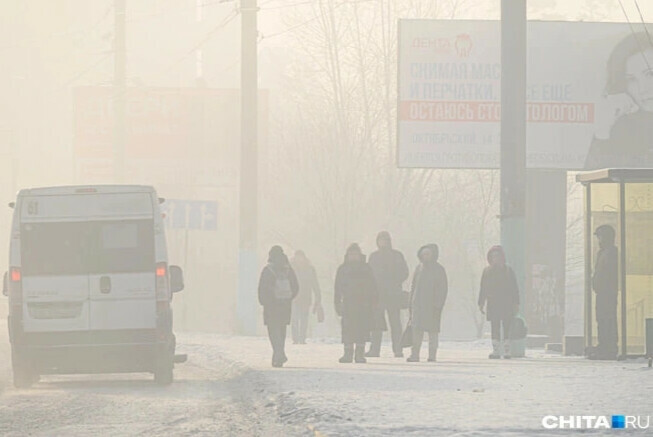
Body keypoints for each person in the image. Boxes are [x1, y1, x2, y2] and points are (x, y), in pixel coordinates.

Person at [585, 31, 653, 169]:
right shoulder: (622, 129)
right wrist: (603, 130)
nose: (642, 89)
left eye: (650, 74)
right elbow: (594, 180)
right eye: (631, 79)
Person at [367, 231, 409, 358]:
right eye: (381, 240)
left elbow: (404, 272)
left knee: (395, 323)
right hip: (378, 295)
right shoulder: (374, 256)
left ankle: (398, 349)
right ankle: (375, 350)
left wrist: (394, 280)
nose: (383, 242)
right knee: (376, 324)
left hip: (393, 294)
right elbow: (369, 274)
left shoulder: (397, 255)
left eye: (385, 240)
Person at [334, 244, 378, 364]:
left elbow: (373, 287)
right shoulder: (343, 269)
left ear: (360, 255)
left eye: (355, 254)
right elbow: (337, 288)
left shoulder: (366, 268)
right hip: (348, 303)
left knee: (362, 329)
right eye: (351, 254)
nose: (353, 256)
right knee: (347, 329)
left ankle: (360, 354)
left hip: (364, 304)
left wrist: (373, 302)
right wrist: (337, 303)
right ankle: (347, 354)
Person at [258, 246, 299, 368]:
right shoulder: (288, 269)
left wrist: (264, 301)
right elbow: (296, 286)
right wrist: (289, 298)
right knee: (281, 330)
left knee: (273, 330)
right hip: (285, 305)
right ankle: (279, 353)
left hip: (271, 305)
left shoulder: (267, 270)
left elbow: (261, 288)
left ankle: (278, 353)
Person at [406, 244, 448, 363]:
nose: (425, 256)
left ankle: (432, 355)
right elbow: (414, 286)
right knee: (416, 331)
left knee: (433, 332)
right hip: (418, 305)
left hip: (433, 306)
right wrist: (411, 302)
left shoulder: (439, 269)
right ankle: (415, 354)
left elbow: (442, 288)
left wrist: (438, 304)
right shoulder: (419, 268)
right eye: (424, 254)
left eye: (428, 254)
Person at [478, 246, 520, 359]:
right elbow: (483, 287)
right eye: (493, 256)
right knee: (494, 326)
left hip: (507, 303)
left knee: (507, 326)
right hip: (493, 303)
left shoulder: (508, 270)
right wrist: (481, 302)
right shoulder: (486, 271)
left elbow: (514, 288)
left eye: (497, 256)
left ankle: (507, 351)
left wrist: (516, 303)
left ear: (502, 257)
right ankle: (495, 350)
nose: (495, 259)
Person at [589, 225, 619, 360]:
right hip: (601, 292)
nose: (598, 240)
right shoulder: (603, 252)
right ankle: (603, 345)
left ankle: (609, 347)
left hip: (608, 292)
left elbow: (608, 274)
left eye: (600, 236)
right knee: (601, 319)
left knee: (607, 319)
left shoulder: (611, 252)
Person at [290, 250, 322, 344]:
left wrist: (318, 297)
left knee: (304, 319)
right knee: (294, 319)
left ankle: (302, 338)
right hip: (294, 298)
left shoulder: (310, 269)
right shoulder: (290, 268)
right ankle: (295, 339)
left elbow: (315, 284)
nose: (299, 259)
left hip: (305, 298)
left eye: (300, 257)